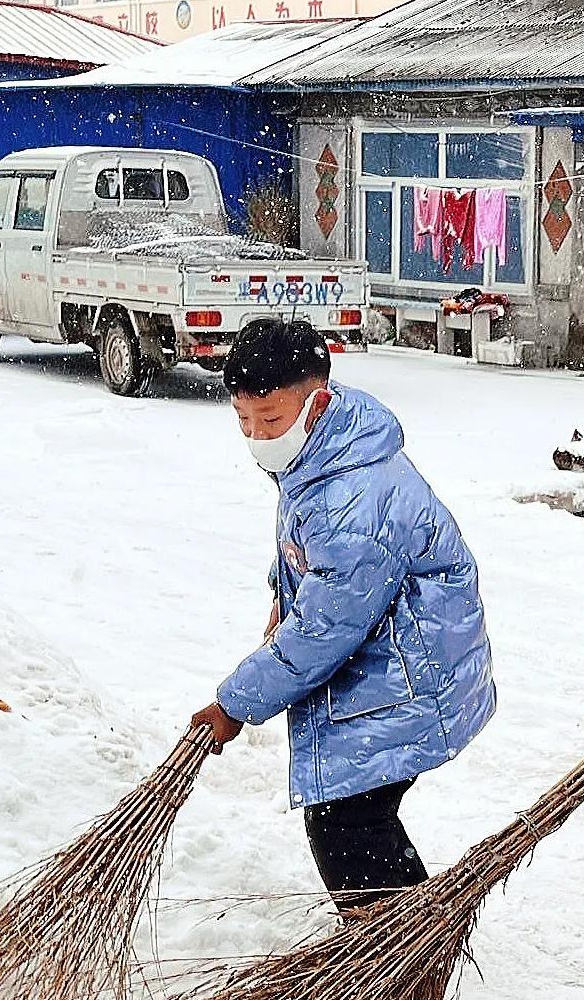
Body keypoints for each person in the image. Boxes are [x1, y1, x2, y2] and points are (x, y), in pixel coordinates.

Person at [187, 317, 497, 913]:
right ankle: (405, 947)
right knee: (353, 821)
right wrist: (284, 595)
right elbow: (312, 564)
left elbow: (327, 628)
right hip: (393, 656)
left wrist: (234, 705)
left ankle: (396, 958)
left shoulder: (355, 493)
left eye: (271, 419)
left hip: (412, 674)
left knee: (346, 822)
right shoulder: (324, 446)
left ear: (317, 400)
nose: (257, 436)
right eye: (244, 421)